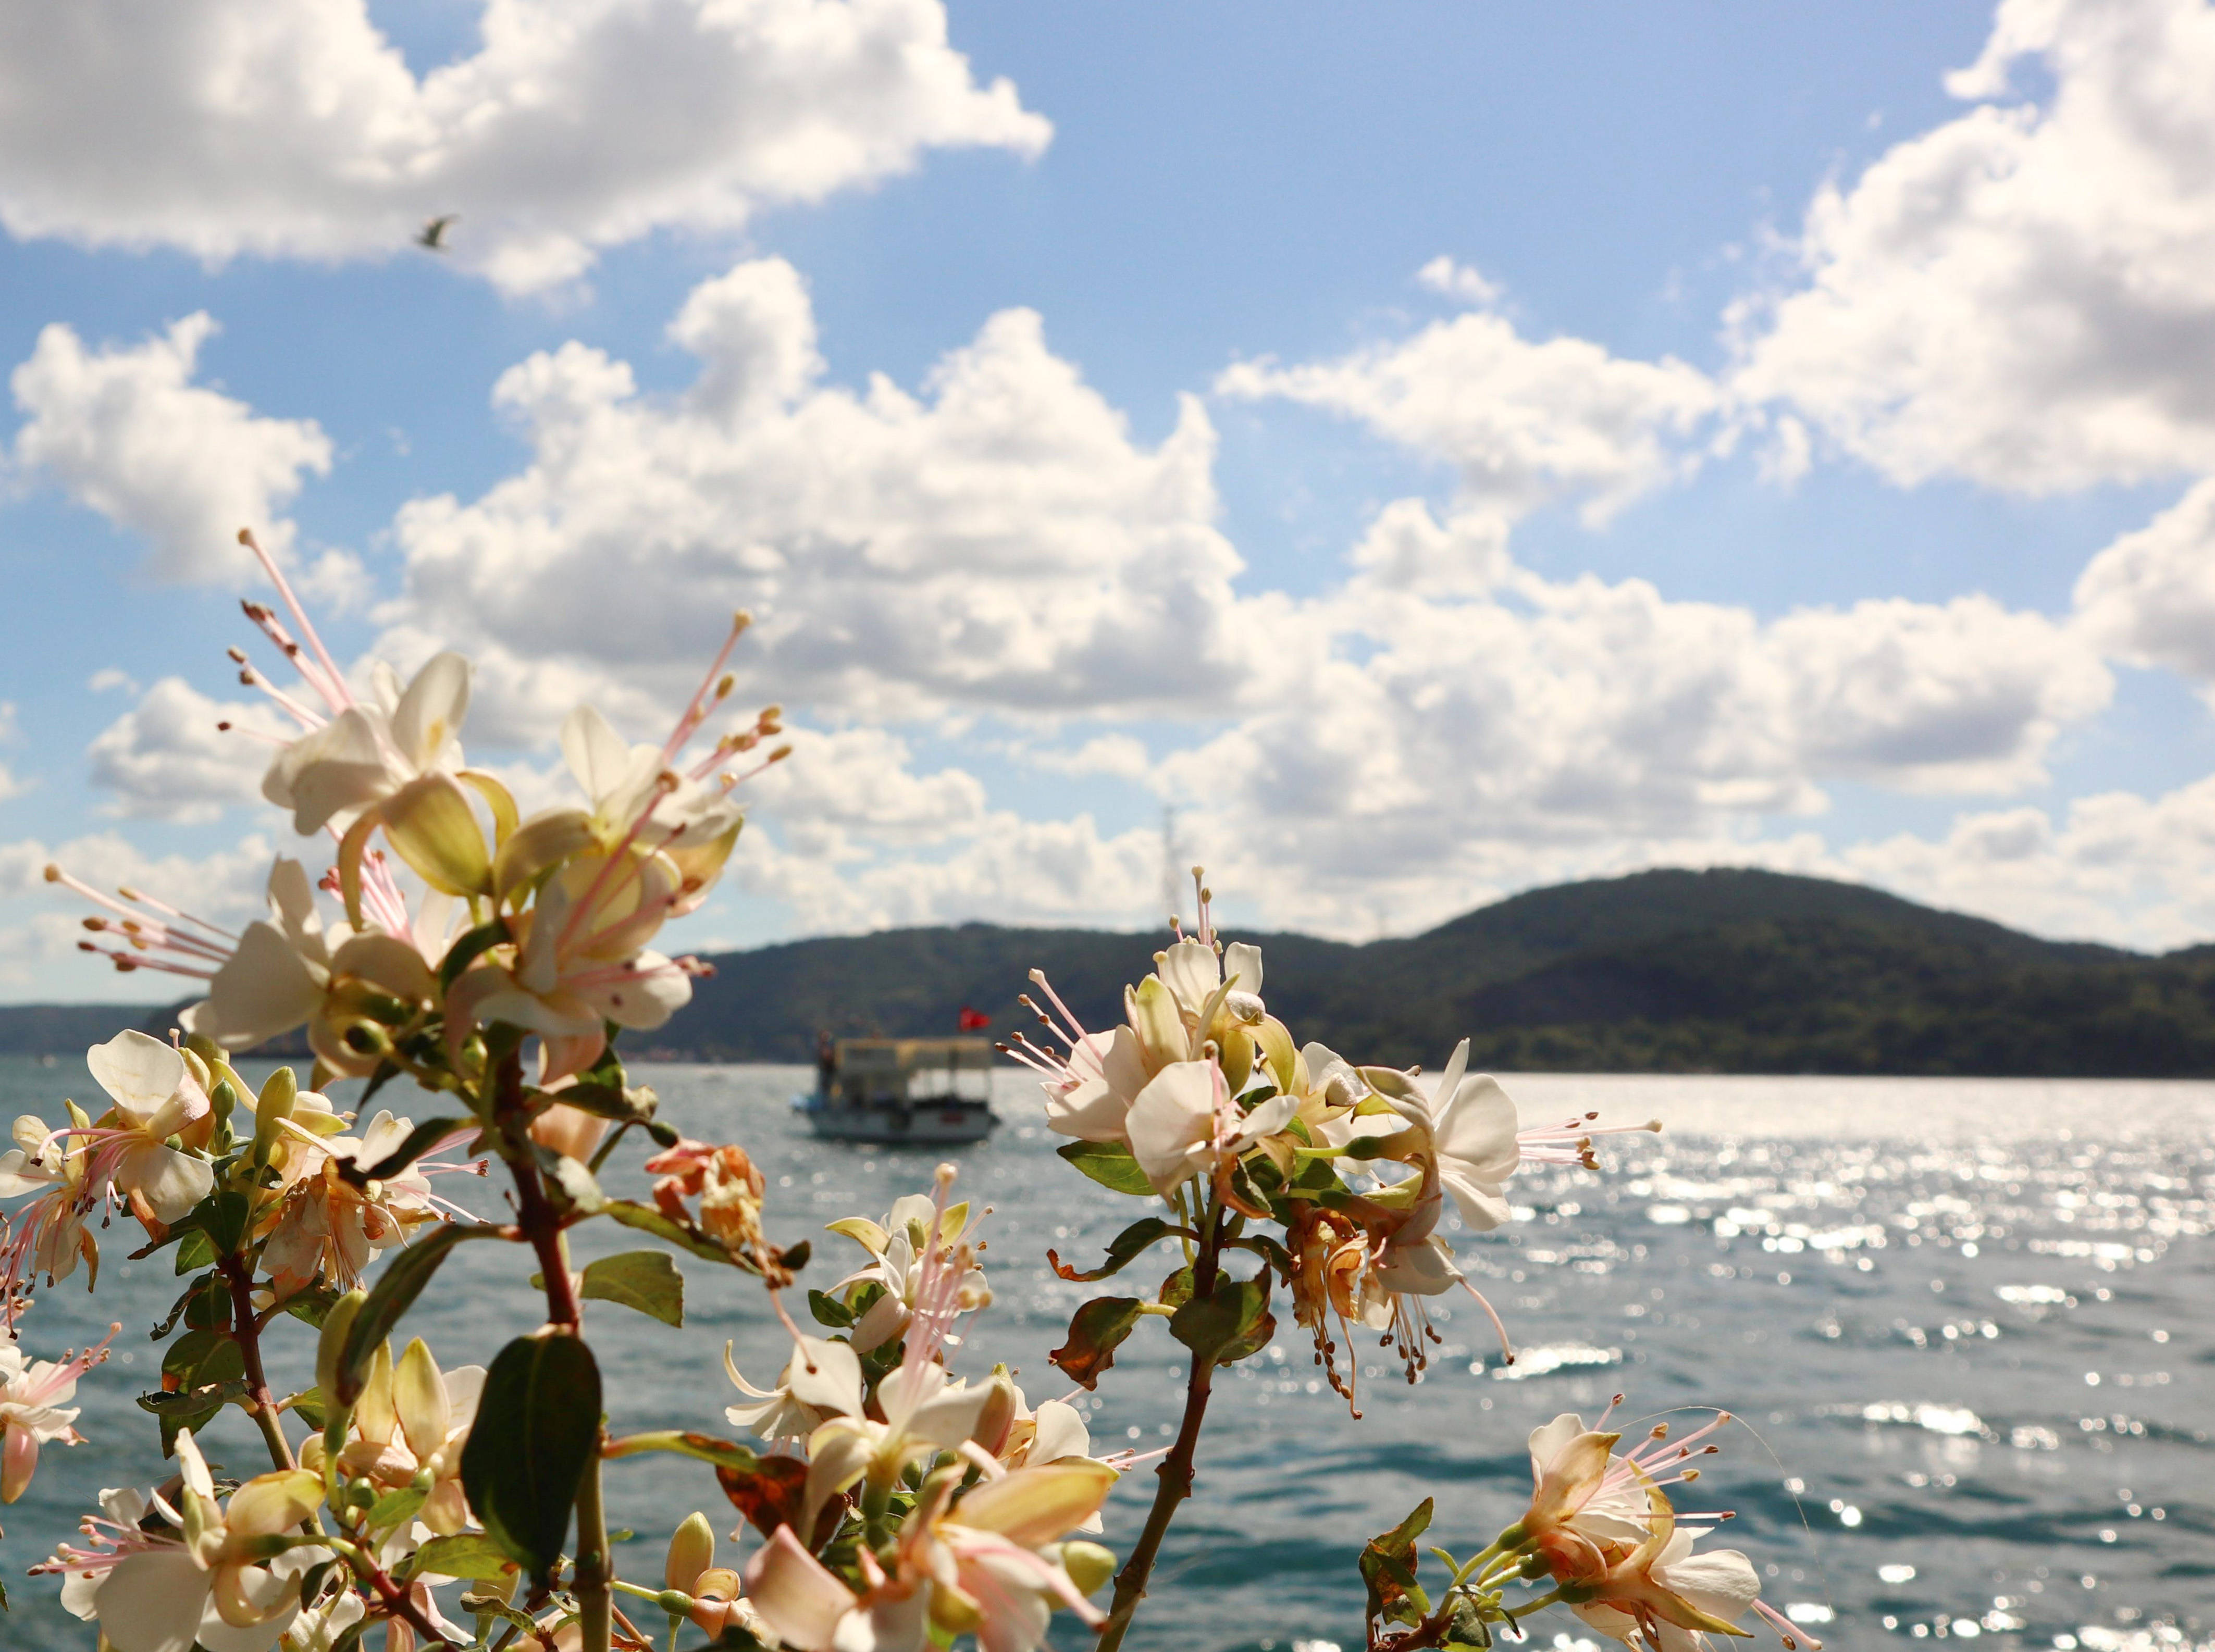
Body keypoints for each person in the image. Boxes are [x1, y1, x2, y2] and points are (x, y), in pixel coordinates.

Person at [815, 1029, 838, 1094]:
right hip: (826, 1071)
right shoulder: (822, 1046)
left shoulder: (829, 1046)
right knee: (825, 1087)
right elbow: (826, 1056)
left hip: (830, 1070)